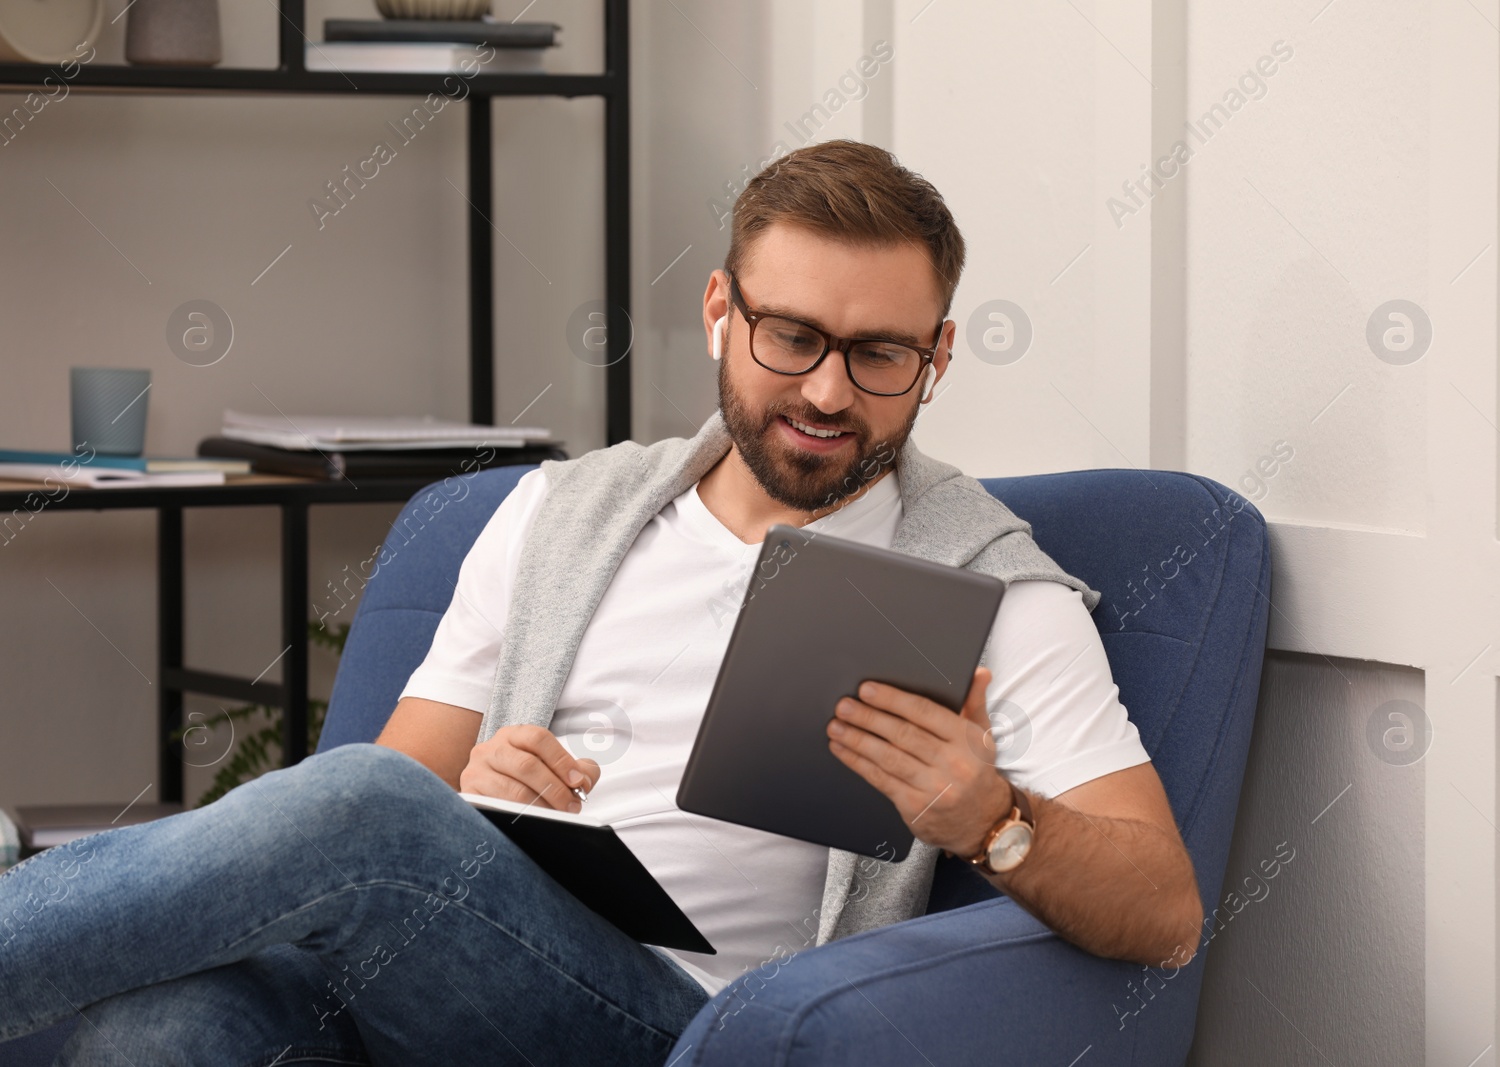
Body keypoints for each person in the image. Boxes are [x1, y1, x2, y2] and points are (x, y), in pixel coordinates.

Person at [0, 139, 1202, 1065]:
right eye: (792, 337)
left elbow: (1164, 910)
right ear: (720, 311)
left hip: (666, 1021)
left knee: (368, 806)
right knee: (163, 1029)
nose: (830, 392)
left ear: (936, 357)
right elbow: (401, 786)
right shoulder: (558, 512)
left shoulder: (990, 587)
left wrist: (992, 815)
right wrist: (473, 801)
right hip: (438, 973)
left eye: (880, 355)